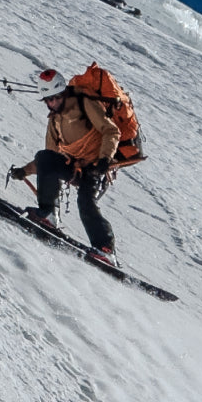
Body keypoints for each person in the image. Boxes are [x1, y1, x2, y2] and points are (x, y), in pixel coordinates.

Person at [9, 68, 119, 265]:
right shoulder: (54, 121)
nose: (52, 103)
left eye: (56, 98)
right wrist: (24, 171)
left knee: (85, 201)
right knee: (44, 157)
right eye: (48, 100)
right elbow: (48, 160)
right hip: (75, 168)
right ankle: (48, 214)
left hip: (97, 168)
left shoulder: (85, 103)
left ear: (64, 93)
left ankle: (106, 250)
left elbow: (111, 131)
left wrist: (105, 159)